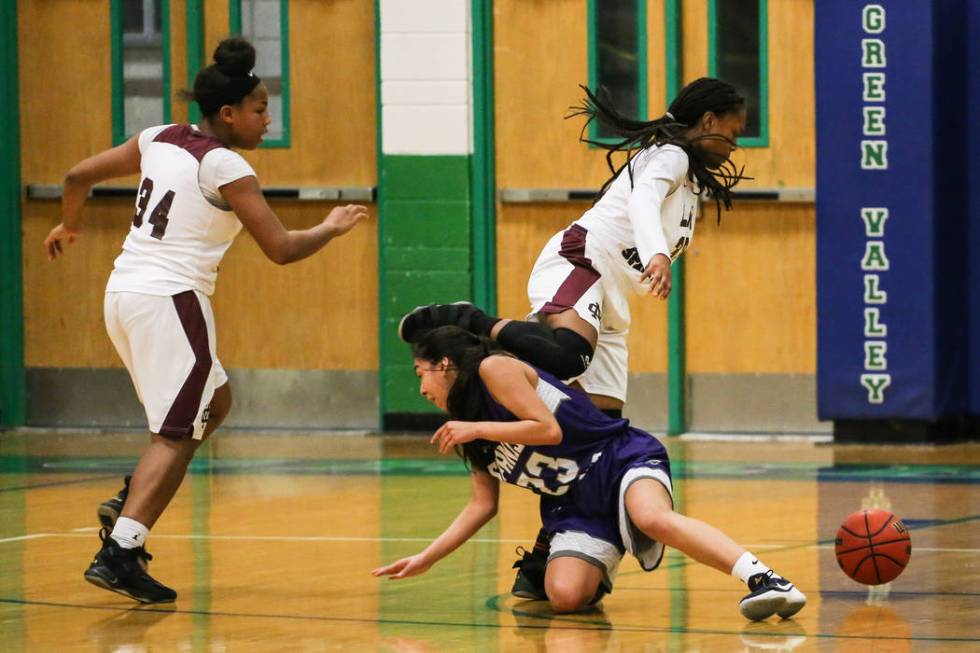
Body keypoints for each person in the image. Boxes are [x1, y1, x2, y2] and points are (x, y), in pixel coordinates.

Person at [43, 37, 368, 604]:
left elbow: (76, 176)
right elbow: (282, 249)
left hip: (123, 294)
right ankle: (120, 552)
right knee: (175, 435)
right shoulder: (226, 164)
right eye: (261, 110)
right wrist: (331, 227)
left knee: (214, 402)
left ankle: (129, 500)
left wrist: (68, 226)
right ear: (229, 114)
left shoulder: (158, 137)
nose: (268, 121)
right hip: (172, 299)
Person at [397, 77, 748, 598]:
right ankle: (473, 319)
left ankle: (553, 546)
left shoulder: (691, 180)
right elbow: (642, 203)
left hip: (610, 300)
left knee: (597, 429)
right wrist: (655, 253)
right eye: (733, 133)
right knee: (568, 356)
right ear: (709, 122)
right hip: (581, 260)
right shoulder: (670, 155)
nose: (735, 146)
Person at [372, 326, 806, 621]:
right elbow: (482, 506)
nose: (422, 389)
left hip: (618, 458)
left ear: (445, 364)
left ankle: (766, 580)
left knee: (650, 517)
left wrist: (477, 426)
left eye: (420, 374)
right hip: (574, 504)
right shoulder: (467, 431)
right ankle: (584, 556)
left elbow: (548, 429)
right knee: (564, 597)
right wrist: (425, 559)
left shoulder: (494, 370)